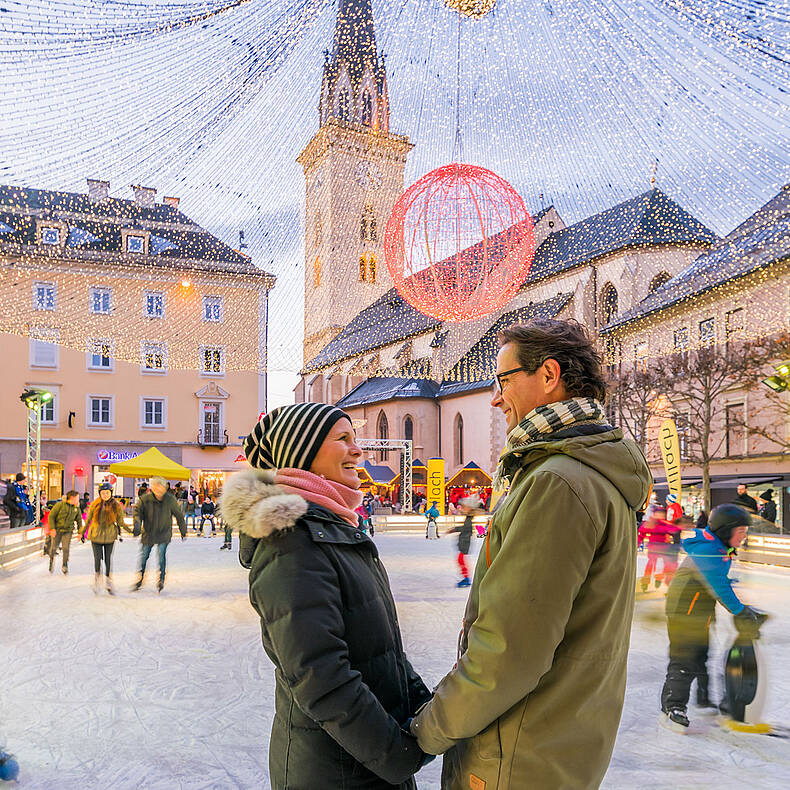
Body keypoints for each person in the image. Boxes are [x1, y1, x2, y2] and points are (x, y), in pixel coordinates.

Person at [410, 318, 652, 790]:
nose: (496, 399)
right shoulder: (594, 471)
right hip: (559, 739)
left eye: (502, 380)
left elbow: (509, 648)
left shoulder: (556, 483)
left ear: (548, 376)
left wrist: (427, 730)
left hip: (516, 754)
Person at [221, 403, 432, 789]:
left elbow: (381, 653)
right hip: (333, 772)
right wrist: (396, 753)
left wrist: (427, 711)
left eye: (355, 438)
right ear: (304, 454)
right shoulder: (293, 542)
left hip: (363, 762)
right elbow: (320, 675)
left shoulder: (334, 529)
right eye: (343, 439)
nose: (358, 450)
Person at [660, 504, 765, 729]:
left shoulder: (716, 548)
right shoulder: (709, 551)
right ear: (726, 531)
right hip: (683, 613)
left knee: (700, 655)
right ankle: (672, 707)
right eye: (741, 532)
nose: (744, 537)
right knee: (684, 659)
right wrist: (740, 610)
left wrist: (740, 604)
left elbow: (718, 581)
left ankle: (703, 697)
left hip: (698, 613)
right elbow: (718, 585)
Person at [132, 476, 186, 593]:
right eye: (155, 486)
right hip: (148, 533)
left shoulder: (170, 500)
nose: (158, 489)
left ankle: (161, 579)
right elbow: (138, 513)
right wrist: (137, 525)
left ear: (164, 487)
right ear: (151, 487)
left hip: (163, 533)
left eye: (160, 486)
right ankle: (140, 578)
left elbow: (179, 515)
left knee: (161, 556)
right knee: (144, 556)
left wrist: (183, 530)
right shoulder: (145, 499)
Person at [84, 483, 125, 594]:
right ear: (100, 494)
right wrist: (82, 532)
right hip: (96, 535)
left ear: (111, 493)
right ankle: (97, 579)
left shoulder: (116, 506)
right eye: (103, 493)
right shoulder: (94, 504)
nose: (105, 495)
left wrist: (132, 530)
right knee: (97, 559)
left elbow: (120, 521)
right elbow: (88, 520)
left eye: (107, 493)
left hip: (110, 536)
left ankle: (108, 580)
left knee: (108, 559)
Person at [637, 506, 681, 592]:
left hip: (664, 549)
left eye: (662, 514)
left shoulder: (665, 524)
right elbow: (641, 533)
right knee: (650, 565)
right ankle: (645, 583)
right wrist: (637, 543)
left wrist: (676, 528)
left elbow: (674, 529)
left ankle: (658, 579)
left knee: (661, 566)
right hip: (653, 550)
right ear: (654, 514)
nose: (660, 516)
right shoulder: (650, 523)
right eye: (658, 514)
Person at [48, 490, 83, 575]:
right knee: (53, 548)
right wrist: (52, 528)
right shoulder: (60, 505)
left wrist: (80, 532)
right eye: (77, 498)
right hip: (57, 530)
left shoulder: (76, 508)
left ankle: (65, 565)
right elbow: (51, 516)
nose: (78, 500)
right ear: (72, 498)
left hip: (68, 531)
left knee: (66, 548)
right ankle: (51, 560)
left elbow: (79, 521)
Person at [446, 499, 474, 587]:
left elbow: (465, 529)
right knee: (460, 559)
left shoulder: (469, 520)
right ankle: (466, 578)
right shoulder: (468, 518)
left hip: (465, 542)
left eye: (466, 508)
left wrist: (454, 529)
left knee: (460, 559)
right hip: (464, 541)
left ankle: (466, 578)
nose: (463, 509)